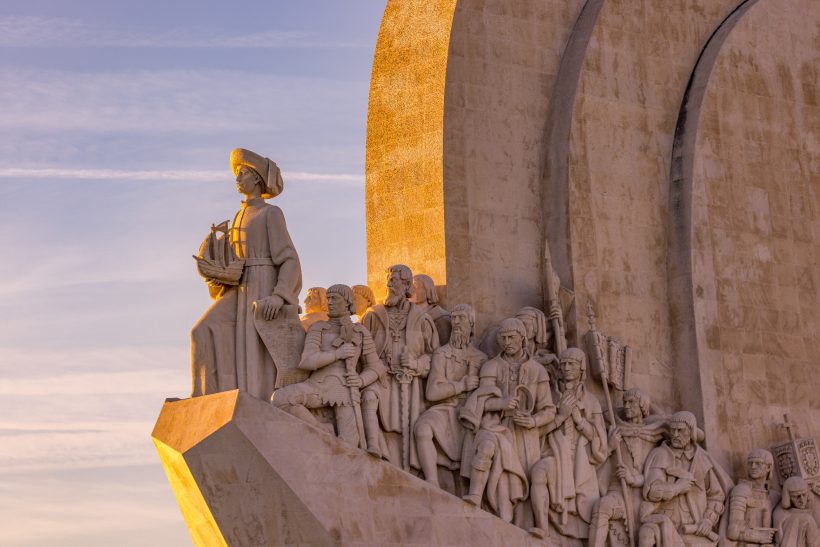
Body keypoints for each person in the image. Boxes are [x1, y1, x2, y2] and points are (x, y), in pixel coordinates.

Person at [191, 148, 302, 400]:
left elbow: (289, 258)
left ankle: (256, 399)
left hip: (263, 283)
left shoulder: (270, 213)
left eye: (242, 173)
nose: (237, 178)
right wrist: (216, 272)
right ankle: (203, 395)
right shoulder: (239, 215)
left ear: (256, 179)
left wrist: (279, 295)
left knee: (255, 351)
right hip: (238, 286)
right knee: (202, 330)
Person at [460, 318, 555, 525]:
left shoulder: (538, 370)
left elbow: (548, 410)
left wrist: (533, 421)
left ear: (522, 338)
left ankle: (513, 527)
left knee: (515, 484)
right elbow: (480, 401)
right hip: (497, 426)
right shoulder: (491, 366)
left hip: (524, 434)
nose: (506, 341)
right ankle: (476, 496)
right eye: (502, 338)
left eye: (511, 337)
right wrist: (501, 403)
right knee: (489, 451)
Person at [272, 285, 385, 448]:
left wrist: (360, 380)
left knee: (350, 445)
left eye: (334, 298)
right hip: (318, 385)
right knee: (281, 398)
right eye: (329, 298)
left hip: (346, 392)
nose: (329, 302)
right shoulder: (318, 328)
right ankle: (323, 431)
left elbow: (376, 367)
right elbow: (307, 361)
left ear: (347, 302)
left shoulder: (360, 332)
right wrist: (337, 354)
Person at [361, 264, 440, 470]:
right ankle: (372, 448)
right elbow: (360, 349)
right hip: (382, 378)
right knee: (369, 397)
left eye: (394, 280)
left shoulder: (422, 319)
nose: (389, 284)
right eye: (388, 280)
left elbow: (434, 356)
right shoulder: (373, 315)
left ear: (406, 285)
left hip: (410, 384)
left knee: (408, 429)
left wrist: (416, 363)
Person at [529, 347, 608, 539]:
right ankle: (542, 527)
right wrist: (560, 416)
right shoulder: (550, 396)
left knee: (587, 508)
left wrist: (579, 420)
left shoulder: (591, 401)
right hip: (554, 452)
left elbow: (599, 439)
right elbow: (534, 432)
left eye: (572, 363)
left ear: (581, 367)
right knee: (539, 471)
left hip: (580, 458)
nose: (566, 367)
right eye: (563, 363)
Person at [414, 304, 486, 492]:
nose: (457, 323)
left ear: (471, 323)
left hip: (470, 412)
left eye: (461, 318)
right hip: (444, 409)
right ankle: (431, 481)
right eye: (454, 318)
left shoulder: (481, 358)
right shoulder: (441, 354)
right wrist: (461, 385)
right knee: (422, 428)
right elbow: (432, 393)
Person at [638, 411, 732, 547]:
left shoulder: (701, 459)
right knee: (646, 533)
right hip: (665, 525)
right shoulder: (661, 454)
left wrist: (708, 521)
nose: (675, 435)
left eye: (680, 430)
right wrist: (677, 488)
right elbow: (652, 490)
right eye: (673, 430)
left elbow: (716, 496)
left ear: (691, 432)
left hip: (693, 531)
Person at [589, 388, 666, 547]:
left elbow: (657, 473)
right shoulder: (616, 428)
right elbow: (596, 458)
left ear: (642, 406)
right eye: (625, 402)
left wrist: (634, 479)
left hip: (642, 495)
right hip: (617, 490)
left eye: (632, 402)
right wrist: (610, 447)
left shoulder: (653, 434)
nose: (626, 406)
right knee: (602, 506)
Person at [723, 449, 778, 547]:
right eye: (750, 463)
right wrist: (758, 537)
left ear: (769, 467)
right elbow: (733, 531)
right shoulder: (741, 490)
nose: (753, 466)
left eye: (758, 463)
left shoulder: (775, 496)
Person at [773, 476, 820, 547]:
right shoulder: (780, 512)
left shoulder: (810, 508)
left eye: (804, 495)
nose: (802, 500)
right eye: (796, 496)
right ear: (788, 497)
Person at [411, 274, 451, 345]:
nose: (412, 290)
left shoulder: (441, 318)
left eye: (416, 287)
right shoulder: (408, 315)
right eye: (411, 287)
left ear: (428, 290)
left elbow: (444, 347)